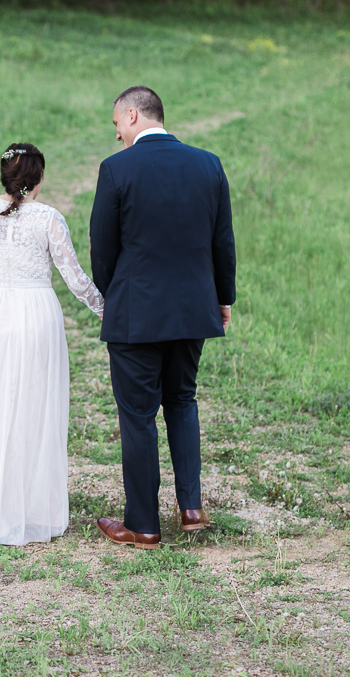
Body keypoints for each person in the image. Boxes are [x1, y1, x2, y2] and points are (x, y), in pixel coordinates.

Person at [89, 86, 236, 549]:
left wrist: (119, 294)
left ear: (133, 116)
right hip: (195, 307)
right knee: (182, 399)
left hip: (137, 311)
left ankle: (143, 524)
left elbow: (103, 250)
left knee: (137, 416)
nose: (117, 135)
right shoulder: (208, 164)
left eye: (117, 124)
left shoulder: (116, 170)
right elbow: (222, 241)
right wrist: (222, 297)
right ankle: (190, 506)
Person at [0, 143, 104, 546]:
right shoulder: (50, 218)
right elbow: (74, 279)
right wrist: (107, 309)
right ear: (39, 179)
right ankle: (35, 511)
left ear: (4, 176)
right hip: (37, 315)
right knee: (37, 408)